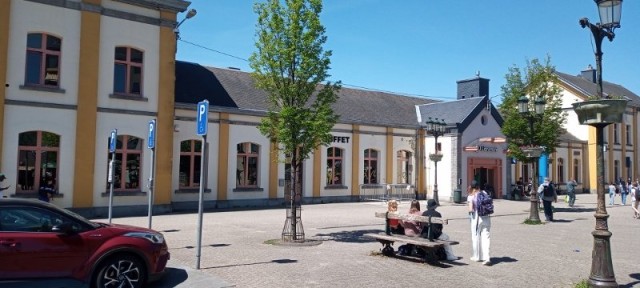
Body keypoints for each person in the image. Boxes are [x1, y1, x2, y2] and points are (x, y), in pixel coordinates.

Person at [468, 182, 491, 265]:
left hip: (477, 219)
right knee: (486, 237)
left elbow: (471, 210)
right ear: (478, 187)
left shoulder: (471, 196)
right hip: (487, 217)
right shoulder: (485, 193)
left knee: (476, 237)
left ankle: (476, 256)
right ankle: (486, 258)